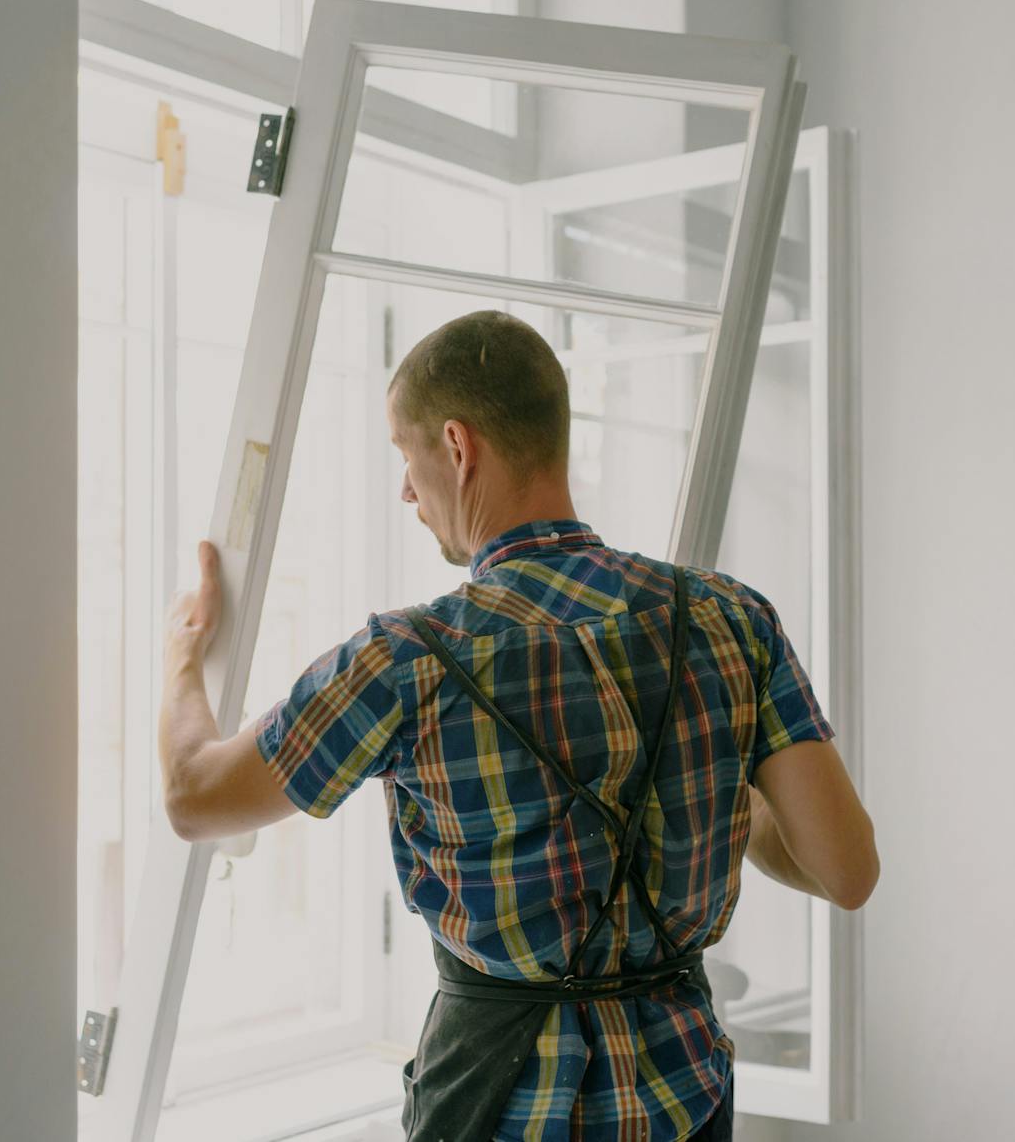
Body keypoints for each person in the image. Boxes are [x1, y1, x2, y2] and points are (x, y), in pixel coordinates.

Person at [159, 310, 879, 1142]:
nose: (404, 488)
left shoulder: (408, 658)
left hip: (499, 1112)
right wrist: (722, 792)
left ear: (458, 447)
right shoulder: (729, 618)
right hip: (685, 1101)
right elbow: (848, 871)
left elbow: (193, 796)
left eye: (405, 453)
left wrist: (182, 660)